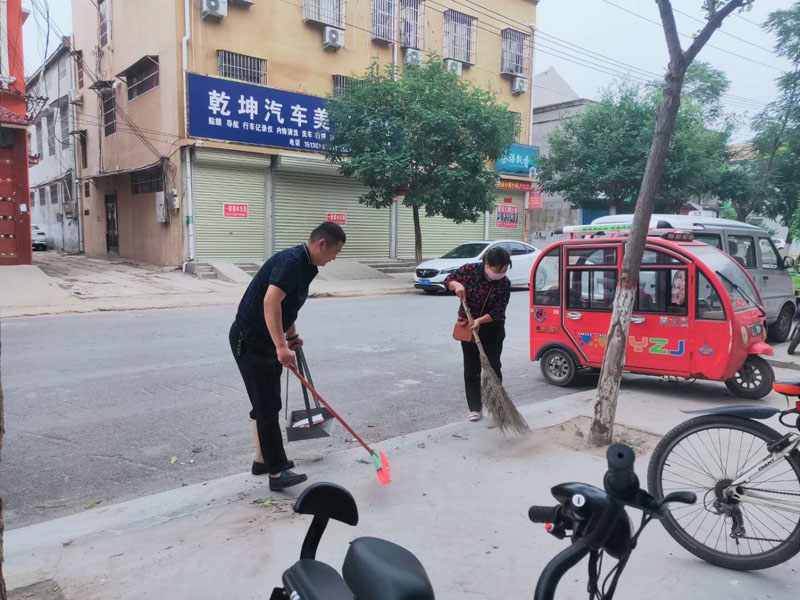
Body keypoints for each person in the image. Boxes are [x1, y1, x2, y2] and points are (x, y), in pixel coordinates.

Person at [229, 222, 345, 491]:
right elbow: (271, 302)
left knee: (263, 403)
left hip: (266, 339)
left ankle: (262, 462)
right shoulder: (292, 262)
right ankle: (277, 473)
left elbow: (287, 305)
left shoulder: (308, 266)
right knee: (268, 406)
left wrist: (291, 337)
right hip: (251, 341)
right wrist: (282, 347)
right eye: (334, 253)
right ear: (322, 244)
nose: (333, 259)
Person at [444, 247, 512, 422]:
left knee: (493, 367)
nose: (501, 274)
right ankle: (475, 408)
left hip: (492, 327)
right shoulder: (469, 271)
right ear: (487, 264)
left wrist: (480, 321)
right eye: (498, 270)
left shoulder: (504, 283)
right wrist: (456, 285)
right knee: (472, 367)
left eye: (504, 270)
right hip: (469, 326)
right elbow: (449, 280)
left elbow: (499, 311)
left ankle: (497, 406)